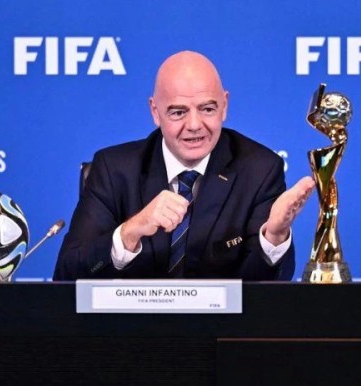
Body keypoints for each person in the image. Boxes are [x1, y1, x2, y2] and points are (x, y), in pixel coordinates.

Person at [53, 51, 315, 281]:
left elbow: (263, 294)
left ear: (224, 106)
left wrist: (274, 236)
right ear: (155, 112)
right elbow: (67, 275)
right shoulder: (113, 170)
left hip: (222, 324)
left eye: (207, 109)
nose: (194, 125)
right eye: (178, 112)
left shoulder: (260, 170)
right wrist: (130, 232)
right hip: (131, 323)